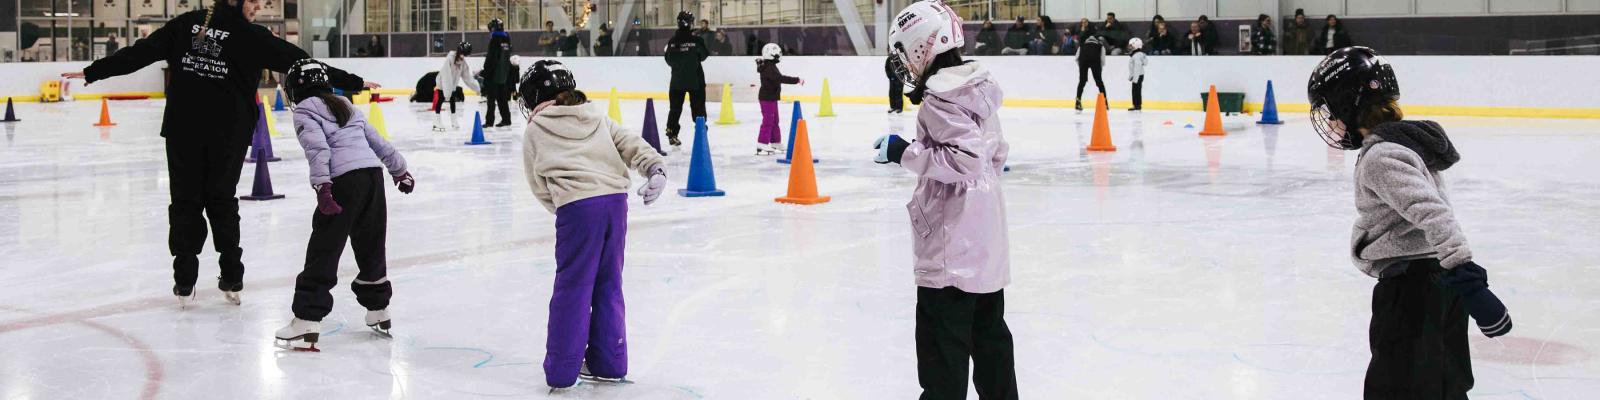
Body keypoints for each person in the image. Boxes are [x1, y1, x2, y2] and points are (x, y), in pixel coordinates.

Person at [65, 0, 372, 307]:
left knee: (187, 202)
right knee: (220, 200)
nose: (258, 7)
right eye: (253, 1)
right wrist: (352, 82)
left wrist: (93, 72)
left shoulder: (189, 24)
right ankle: (227, 276)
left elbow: (138, 54)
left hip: (185, 129)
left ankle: (189, 279)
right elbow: (302, 65)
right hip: (225, 132)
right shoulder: (250, 36)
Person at [1306, 46, 1512, 399]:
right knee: (1446, 386)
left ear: (1348, 103)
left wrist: (1471, 281)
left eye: (1332, 111)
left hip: (1412, 292)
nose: (1333, 123)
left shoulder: (1381, 156)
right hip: (1437, 285)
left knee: (1397, 389)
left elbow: (1432, 210)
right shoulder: (1405, 144)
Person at [876, 2, 1016, 398]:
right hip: (985, 239)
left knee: (942, 352)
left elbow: (966, 160)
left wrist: (902, 151)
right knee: (989, 339)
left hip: (950, 249)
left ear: (923, 46)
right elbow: (996, 153)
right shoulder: (977, 88)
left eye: (905, 50)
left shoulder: (940, 98)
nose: (903, 61)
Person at [516, 59, 668, 392]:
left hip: (576, 208)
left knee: (572, 288)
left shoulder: (536, 129)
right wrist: (655, 168)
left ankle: (562, 370)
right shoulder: (594, 115)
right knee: (608, 283)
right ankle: (609, 363)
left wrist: (563, 206)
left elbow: (537, 182)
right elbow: (630, 143)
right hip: (615, 203)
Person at [272, 59, 413, 351]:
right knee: (371, 245)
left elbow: (318, 149)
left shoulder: (304, 112)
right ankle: (378, 310)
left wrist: (323, 187)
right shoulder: (346, 105)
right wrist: (400, 171)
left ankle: (307, 319)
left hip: (342, 183)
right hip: (373, 180)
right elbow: (379, 142)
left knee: (325, 247)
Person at [663, 11, 710, 149]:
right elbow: (704, 56)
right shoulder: (697, 41)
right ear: (689, 23)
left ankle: (672, 132)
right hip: (695, 81)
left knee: (675, 108)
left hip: (677, 81)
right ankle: (701, 132)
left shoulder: (672, 42)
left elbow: (668, 59)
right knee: (698, 107)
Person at [755, 43, 803, 155]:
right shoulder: (768, 67)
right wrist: (797, 80)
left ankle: (775, 142)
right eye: (777, 53)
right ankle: (762, 143)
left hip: (771, 97)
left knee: (775, 120)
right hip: (766, 98)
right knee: (768, 121)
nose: (779, 56)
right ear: (771, 54)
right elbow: (780, 78)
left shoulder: (769, 65)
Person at [432, 42, 480, 131]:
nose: (463, 56)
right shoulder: (450, 59)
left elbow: (467, 77)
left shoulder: (462, 63)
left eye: (465, 55)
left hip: (452, 84)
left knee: (452, 100)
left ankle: (454, 120)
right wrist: (447, 92)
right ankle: (436, 121)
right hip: (442, 82)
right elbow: (446, 75)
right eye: (462, 54)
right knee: (441, 99)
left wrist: (477, 88)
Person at [482, 19, 517, 128]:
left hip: (493, 75)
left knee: (491, 100)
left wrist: (485, 72)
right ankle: (506, 119)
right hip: (503, 75)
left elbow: (491, 59)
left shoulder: (494, 40)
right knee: (502, 99)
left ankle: (489, 121)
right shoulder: (507, 39)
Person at [1074, 32, 1107, 111]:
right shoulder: (1100, 46)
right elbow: (1102, 60)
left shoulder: (1082, 46)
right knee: (1099, 82)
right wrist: (1099, 69)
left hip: (1083, 62)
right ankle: (1105, 103)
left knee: (1082, 82)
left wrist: (1081, 67)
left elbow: (1077, 57)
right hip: (1095, 62)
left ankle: (1078, 102)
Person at [1127, 38, 1146, 111]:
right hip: (1139, 75)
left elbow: (1137, 67)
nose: (1129, 47)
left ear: (1136, 46)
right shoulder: (1139, 54)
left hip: (1137, 75)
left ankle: (1136, 105)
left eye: (1131, 46)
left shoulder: (1136, 56)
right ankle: (1137, 105)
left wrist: (1134, 77)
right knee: (1137, 90)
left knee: (1135, 90)